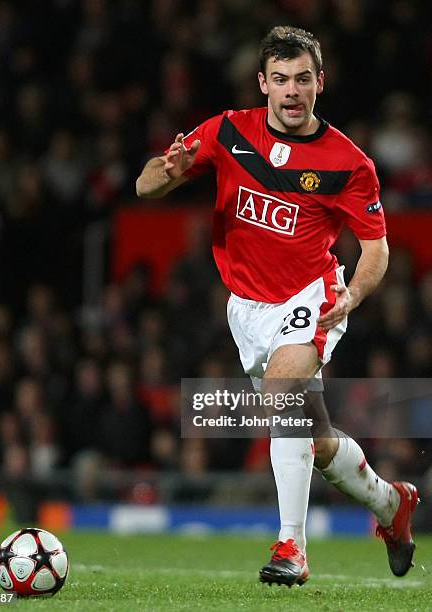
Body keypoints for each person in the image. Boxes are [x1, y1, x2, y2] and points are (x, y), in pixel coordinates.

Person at [136, 26, 418, 586]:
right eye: (281, 80)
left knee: (282, 394)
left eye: (303, 79)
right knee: (313, 436)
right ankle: (392, 504)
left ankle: (292, 546)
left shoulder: (349, 163)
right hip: (246, 307)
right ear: (263, 83)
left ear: (320, 84)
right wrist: (163, 174)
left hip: (311, 296)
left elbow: (377, 247)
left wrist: (353, 294)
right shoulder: (226, 131)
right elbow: (146, 187)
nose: (292, 91)